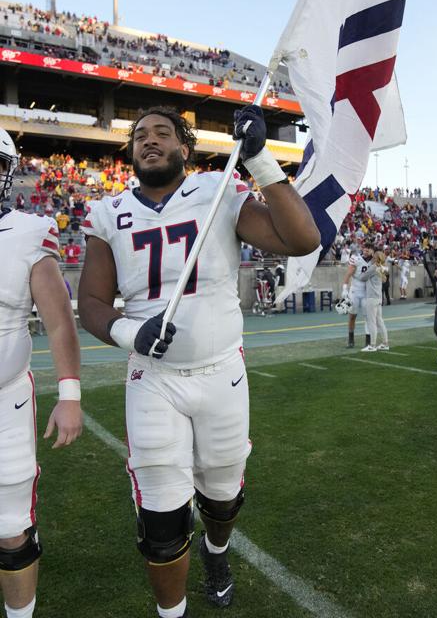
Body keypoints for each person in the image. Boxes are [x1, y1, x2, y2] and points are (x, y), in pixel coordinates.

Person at [78, 104, 320, 618]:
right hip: (154, 379)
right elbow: (92, 303)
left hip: (220, 374)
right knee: (161, 523)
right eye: (140, 134)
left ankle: (217, 553)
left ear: (184, 150)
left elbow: (303, 239)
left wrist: (260, 161)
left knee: (222, 495)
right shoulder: (109, 213)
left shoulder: (216, 191)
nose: (149, 140)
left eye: (162, 133)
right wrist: (127, 331)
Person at [0, 129, 83, 618]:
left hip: (5, 397)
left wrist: (69, 394)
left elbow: (58, 319)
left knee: (10, 527)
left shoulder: (28, 232)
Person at [342, 242, 374, 348]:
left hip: (367, 291)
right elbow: (349, 273)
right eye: (365, 248)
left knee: (368, 317)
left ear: (372, 250)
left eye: (368, 249)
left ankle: (368, 341)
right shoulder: (356, 258)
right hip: (355, 290)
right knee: (352, 316)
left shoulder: (374, 260)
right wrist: (344, 288)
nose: (366, 250)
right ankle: (351, 340)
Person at [359, 251, 389, 352]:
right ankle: (385, 343)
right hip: (378, 297)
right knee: (380, 321)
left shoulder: (373, 267)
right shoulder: (381, 267)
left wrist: (368, 265)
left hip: (372, 298)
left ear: (376, 258)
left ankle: (372, 345)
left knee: (371, 322)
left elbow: (362, 277)